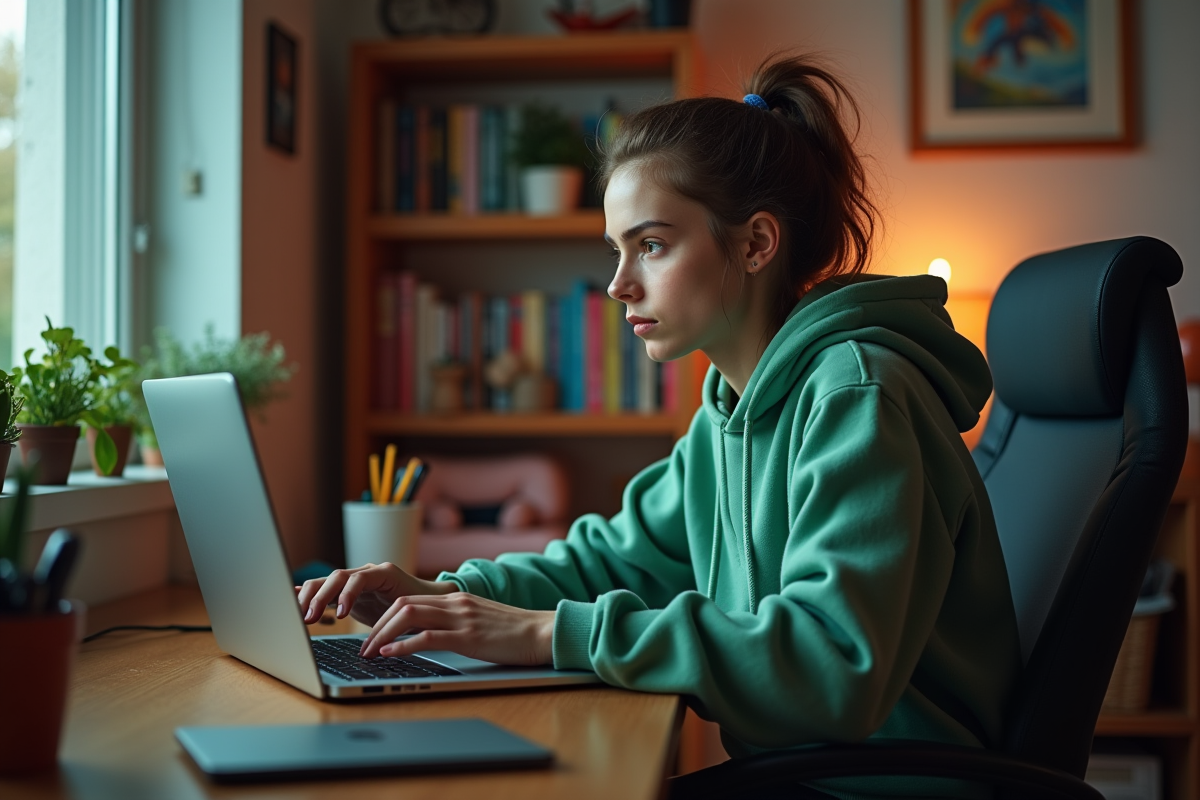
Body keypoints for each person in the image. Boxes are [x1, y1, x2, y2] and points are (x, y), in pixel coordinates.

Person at [298, 54, 1021, 799]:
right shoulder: (728, 405)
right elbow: (616, 560)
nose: (618, 285)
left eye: (651, 245)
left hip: (885, 785)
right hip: (800, 773)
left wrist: (544, 633)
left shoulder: (860, 396)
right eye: (617, 251)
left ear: (754, 243)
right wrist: (446, 594)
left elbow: (832, 667)